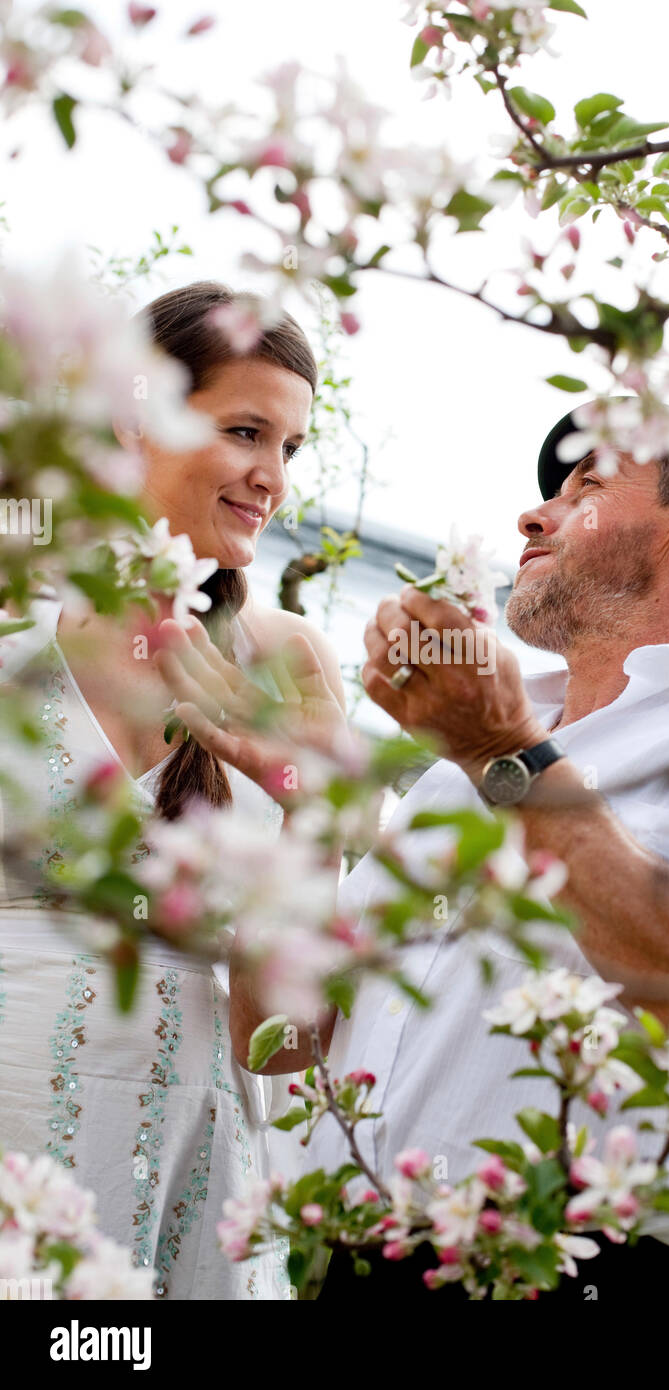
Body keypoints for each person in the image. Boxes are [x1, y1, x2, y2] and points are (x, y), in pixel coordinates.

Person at [313, 408, 669, 1300]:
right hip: (358, 1269)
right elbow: (284, 1037)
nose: (532, 518)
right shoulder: (458, 767)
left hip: (593, 1281)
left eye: (586, 488)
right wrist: (294, 783)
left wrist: (511, 759)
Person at [0, 280, 345, 1299]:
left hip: (192, 1177)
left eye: (290, 447)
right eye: (247, 430)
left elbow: (280, 1046)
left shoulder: (290, 662)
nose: (270, 477)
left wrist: (305, 801)